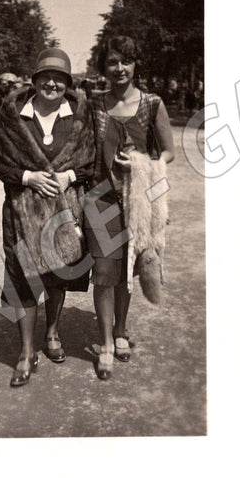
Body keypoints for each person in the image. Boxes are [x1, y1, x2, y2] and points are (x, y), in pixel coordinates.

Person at [0, 48, 95, 387]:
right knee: (23, 279)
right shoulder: (13, 115)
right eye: (46, 77)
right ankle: (25, 351)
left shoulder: (80, 116)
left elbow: (91, 162)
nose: (52, 83)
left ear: (68, 83)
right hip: (21, 211)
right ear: (34, 81)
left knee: (58, 275)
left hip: (63, 213)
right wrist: (26, 177)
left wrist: (69, 177)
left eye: (60, 78)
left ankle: (51, 333)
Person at [84, 35, 175, 380]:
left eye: (126, 61)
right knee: (105, 273)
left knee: (127, 272)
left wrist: (140, 164)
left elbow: (168, 152)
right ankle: (106, 343)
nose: (119, 68)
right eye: (112, 62)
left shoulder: (152, 104)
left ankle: (121, 330)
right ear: (103, 67)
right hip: (100, 200)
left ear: (136, 64)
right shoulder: (93, 105)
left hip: (139, 200)